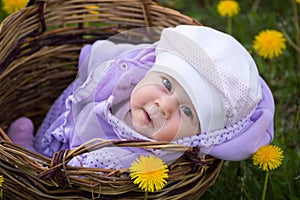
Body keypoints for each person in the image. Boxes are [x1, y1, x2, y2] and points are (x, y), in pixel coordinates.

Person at [7, 25, 275, 169]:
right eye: (167, 83)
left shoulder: (143, 159)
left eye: (188, 111)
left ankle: (34, 164)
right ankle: (38, 151)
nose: (164, 104)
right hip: (74, 133)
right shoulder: (128, 85)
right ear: (150, 72)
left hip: (74, 173)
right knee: (74, 103)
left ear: (197, 137)